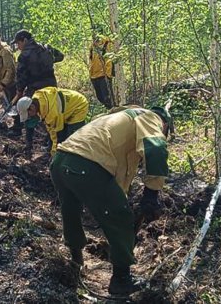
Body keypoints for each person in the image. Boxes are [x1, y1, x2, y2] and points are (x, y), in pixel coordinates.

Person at [49, 105, 173, 295]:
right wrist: (151, 194)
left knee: (70, 211)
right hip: (85, 165)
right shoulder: (150, 117)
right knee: (121, 218)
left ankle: (76, 262)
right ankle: (121, 281)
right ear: (164, 124)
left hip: (60, 161)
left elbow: (117, 171)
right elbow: (156, 149)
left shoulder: (120, 119)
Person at [10, 30, 64, 150]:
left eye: (18, 43)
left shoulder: (24, 56)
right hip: (51, 88)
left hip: (34, 89)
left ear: (24, 40)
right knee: (51, 114)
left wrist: (19, 92)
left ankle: (29, 144)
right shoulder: (46, 48)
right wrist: (47, 61)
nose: (18, 47)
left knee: (29, 114)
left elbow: (21, 77)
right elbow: (60, 56)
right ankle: (50, 144)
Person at [16, 87, 88, 156]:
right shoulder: (37, 97)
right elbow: (50, 129)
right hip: (68, 104)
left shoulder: (51, 114)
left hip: (79, 106)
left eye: (29, 114)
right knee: (60, 135)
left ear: (31, 107)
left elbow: (57, 135)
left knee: (72, 137)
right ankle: (53, 151)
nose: (30, 117)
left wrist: (54, 154)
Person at [0, 31, 22, 134]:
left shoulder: (5, 51)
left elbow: (11, 70)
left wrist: (5, 83)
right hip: (3, 82)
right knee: (9, 104)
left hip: (11, 84)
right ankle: (15, 126)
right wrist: (0, 81)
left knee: (14, 105)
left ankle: (17, 129)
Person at [89, 33, 115, 109]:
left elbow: (109, 59)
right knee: (100, 98)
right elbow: (91, 59)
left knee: (108, 98)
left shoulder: (107, 42)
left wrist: (108, 75)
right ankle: (108, 111)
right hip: (94, 76)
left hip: (104, 75)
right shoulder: (92, 45)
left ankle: (112, 112)